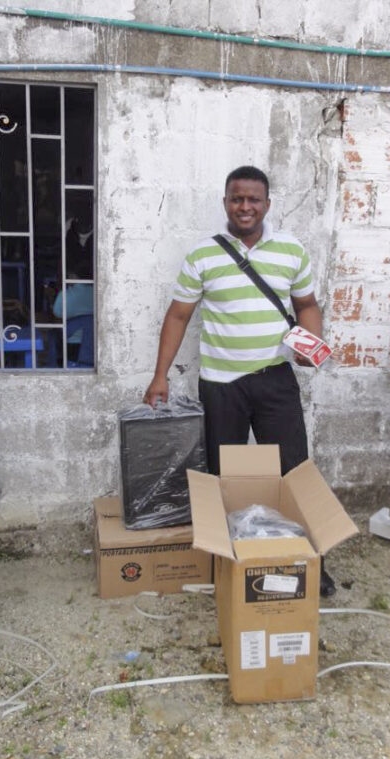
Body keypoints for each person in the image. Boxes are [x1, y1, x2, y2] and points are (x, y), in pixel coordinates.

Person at [142, 165, 337, 596]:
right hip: (221, 386)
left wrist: (312, 342)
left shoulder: (291, 250)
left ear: (267, 204)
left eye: (253, 199)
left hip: (275, 380)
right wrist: (160, 376)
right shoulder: (203, 256)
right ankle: (228, 561)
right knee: (223, 475)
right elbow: (178, 315)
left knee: (293, 470)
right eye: (236, 198)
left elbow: (307, 304)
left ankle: (310, 560)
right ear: (225, 202)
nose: (245, 206)